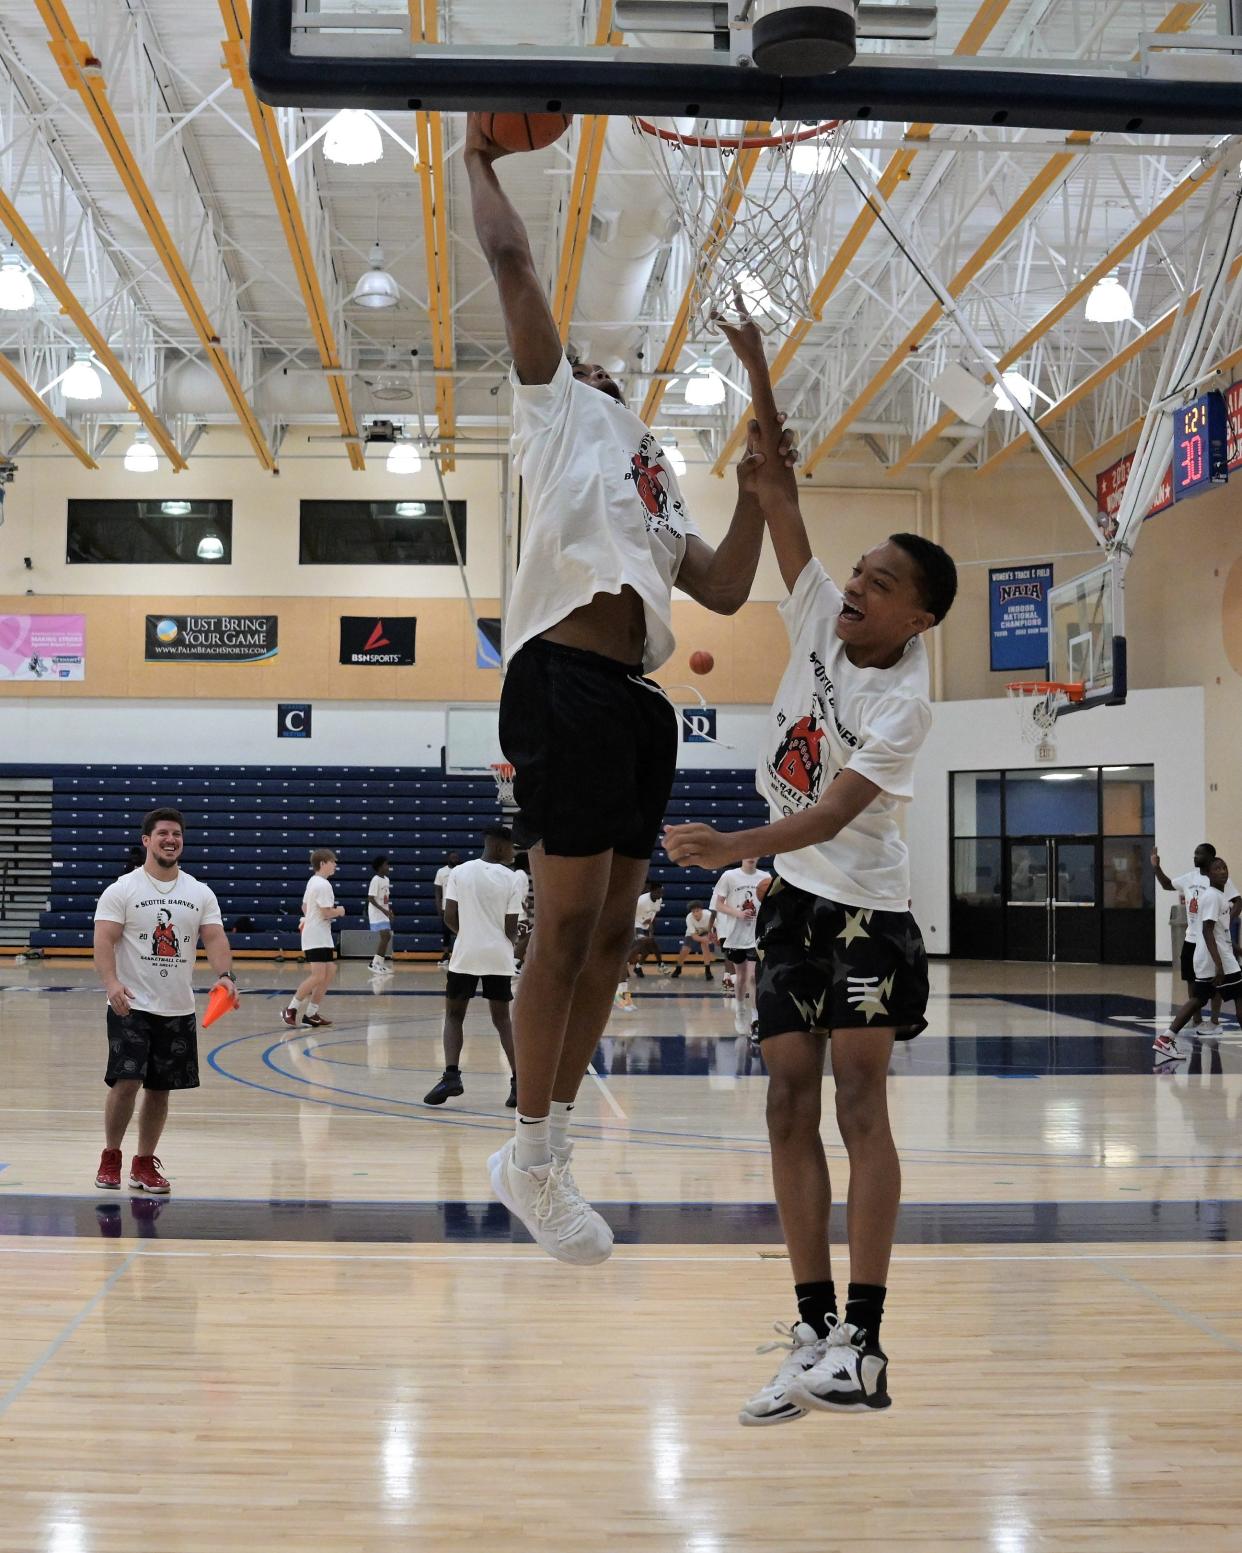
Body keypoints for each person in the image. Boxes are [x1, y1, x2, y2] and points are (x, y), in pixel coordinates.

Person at [465, 113, 797, 1265]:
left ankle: (546, 1145)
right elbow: (510, 264)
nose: (587, 358)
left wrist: (756, 486)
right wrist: (477, 158)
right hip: (560, 675)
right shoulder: (557, 412)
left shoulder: (652, 468)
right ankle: (532, 1148)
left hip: (637, 703)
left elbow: (726, 582)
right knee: (559, 926)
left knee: (612, 934)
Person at [665, 321, 958, 1423]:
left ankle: (868, 1342)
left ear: (916, 616)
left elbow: (837, 809)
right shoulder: (820, 619)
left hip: (865, 911)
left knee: (858, 1101)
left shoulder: (904, 700)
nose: (856, 588)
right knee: (787, 1100)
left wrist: (731, 847)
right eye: (862, 572)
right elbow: (780, 495)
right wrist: (753, 370)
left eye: (881, 585)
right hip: (793, 900)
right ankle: (813, 1327)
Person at [92, 807, 236, 1194]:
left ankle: (143, 1163)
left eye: (176, 834)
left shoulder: (199, 892)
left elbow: (215, 938)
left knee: (159, 1088)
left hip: (177, 1007)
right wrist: (111, 984)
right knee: (126, 1080)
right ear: (146, 841)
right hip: (130, 1003)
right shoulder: (122, 890)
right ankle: (111, 1156)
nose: (171, 840)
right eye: (163, 834)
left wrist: (225, 976)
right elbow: (104, 940)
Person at [424, 826, 524, 1110]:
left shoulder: (460, 872)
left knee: (454, 1016)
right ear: (500, 845)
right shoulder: (513, 878)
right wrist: (519, 934)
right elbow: (509, 927)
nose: (513, 852)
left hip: (466, 953)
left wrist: (469, 934)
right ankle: (518, 1085)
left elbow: (450, 917)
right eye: (512, 847)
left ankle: (451, 1077)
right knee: (502, 1020)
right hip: (499, 956)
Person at [1156, 857, 1242, 1056]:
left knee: (1199, 998)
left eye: (1225, 867)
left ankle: (1166, 1038)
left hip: (1211, 957)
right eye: (1217, 868)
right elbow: (1207, 930)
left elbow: (1221, 934)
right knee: (1238, 995)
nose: (1222, 871)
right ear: (1208, 874)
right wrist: (1219, 965)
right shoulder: (1213, 897)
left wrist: (1235, 951)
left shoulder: (1219, 896)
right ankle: (1166, 1038)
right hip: (1218, 960)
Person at [283, 849, 344, 1030]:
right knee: (318, 975)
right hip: (316, 935)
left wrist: (311, 919)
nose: (335, 865)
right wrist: (339, 911)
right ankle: (291, 1008)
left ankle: (311, 1013)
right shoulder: (323, 885)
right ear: (323, 863)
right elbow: (326, 913)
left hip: (320, 934)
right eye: (333, 862)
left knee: (330, 970)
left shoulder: (313, 881)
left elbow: (304, 906)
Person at [713, 859, 772, 1033]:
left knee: (753, 976)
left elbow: (769, 905)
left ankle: (755, 1019)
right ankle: (740, 1011)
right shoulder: (729, 876)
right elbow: (717, 905)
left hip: (755, 935)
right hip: (735, 934)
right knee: (741, 976)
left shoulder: (765, 877)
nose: (751, 856)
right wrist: (738, 913)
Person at [669, 900, 716, 980]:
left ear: (701, 910)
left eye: (697, 911)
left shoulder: (708, 915)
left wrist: (713, 936)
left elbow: (716, 927)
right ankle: (678, 968)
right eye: (693, 912)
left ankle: (707, 970)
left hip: (706, 931)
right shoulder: (689, 917)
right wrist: (704, 939)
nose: (695, 914)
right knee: (685, 950)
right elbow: (694, 937)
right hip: (693, 933)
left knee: (704, 946)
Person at [628, 880, 666, 977]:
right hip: (636, 923)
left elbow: (654, 912)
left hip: (646, 925)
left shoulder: (659, 899)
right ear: (651, 891)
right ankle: (625, 965)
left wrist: (650, 925)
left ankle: (638, 967)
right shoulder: (641, 901)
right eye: (658, 892)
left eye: (662, 892)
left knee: (650, 947)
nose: (661, 895)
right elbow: (631, 914)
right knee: (640, 944)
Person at [367, 855, 394, 974]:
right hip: (376, 912)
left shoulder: (386, 879)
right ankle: (375, 963)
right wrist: (383, 910)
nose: (388, 867)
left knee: (387, 936)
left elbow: (385, 897)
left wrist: (389, 909)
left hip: (384, 911)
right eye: (386, 865)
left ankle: (378, 963)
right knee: (385, 935)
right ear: (379, 867)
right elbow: (371, 898)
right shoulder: (375, 879)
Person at [434, 850, 462, 966]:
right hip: (446, 906)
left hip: (460, 906)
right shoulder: (441, 872)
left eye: (456, 857)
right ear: (448, 859)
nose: (455, 859)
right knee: (446, 932)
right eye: (453, 857)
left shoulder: (462, 870)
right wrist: (438, 905)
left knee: (460, 931)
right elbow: (437, 890)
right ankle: (446, 955)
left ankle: (459, 955)